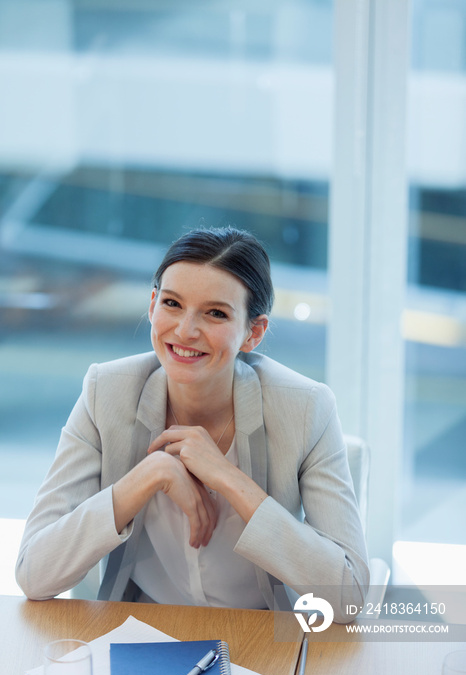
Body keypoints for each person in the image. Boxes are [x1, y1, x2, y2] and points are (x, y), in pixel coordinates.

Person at [16, 226, 369, 621]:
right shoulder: (106, 392)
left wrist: (230, 480)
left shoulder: (306, 408)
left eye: (215, 313)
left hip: (263, 639)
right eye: (172, 303)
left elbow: (349, 598)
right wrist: (146, 477)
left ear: (253, 332)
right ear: (152, 305)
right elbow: (34, 573)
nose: (185, 330)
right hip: (145, 635)